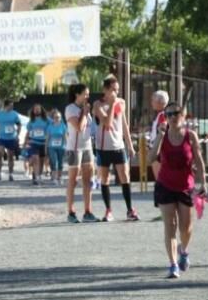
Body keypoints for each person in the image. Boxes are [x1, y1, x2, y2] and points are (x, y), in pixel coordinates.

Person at [147, 102, 207, 279]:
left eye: (176, 113)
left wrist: (203, 183)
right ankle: (173, 264)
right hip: (165, 184)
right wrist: (159, 136)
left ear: (184, 115)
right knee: (170, 226)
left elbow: (199, 160)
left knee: (186, 228)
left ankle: (184, 250)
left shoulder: (191, 136)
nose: (173, 117)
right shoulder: (162, 136)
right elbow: (151, 158)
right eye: (169, 114)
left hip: (185, 186)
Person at [93, 75, 140, 222]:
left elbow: (124, 124)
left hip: (118, 146)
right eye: (113, 89)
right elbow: (107, 122)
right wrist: (112, 104)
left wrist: (130, 144)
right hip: (103, 147)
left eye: (117, 90)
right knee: (105, 179)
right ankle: (108, 211)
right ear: (105, 90)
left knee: (125, 176)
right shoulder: (98, 105)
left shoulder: (122, 103)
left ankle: (129, 209)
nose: (116, 93)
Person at [64, 84, 98, 223]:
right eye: (85, 93)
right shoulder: (70, 109)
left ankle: (87, 211)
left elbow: (91, 128)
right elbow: (78, 127)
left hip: (87, 147)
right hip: (74, 148)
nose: (87, 96)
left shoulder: (86, 110)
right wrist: (84, 113)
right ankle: (71, 212)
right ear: (77, 94)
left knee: (88, 180)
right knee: (73, 180)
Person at [0, 99, 22, 182]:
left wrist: (17, 134)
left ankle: (11, 174)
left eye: (12, 106)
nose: (12, 107)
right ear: (6, 106)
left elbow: (19, 124)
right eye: (10, 105)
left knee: (10, 156)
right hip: (1, 138)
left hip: (11, 138)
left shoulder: (14, 114)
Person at [23, 104, 49, 186]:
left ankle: (37, 176)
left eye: (38, 109)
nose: (37, 110)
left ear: (41, 110)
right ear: (33, 111)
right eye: (35, 109)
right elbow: (28, 133)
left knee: (41, 161)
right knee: (35, 159)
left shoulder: (47, 120)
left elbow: (56, 123)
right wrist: (25, 142)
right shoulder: (31, 121)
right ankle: (37, 178)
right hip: (33, 142)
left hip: (43, 143)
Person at [148, 90, 170, 183]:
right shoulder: (161, 114)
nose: (151, 102)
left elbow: (163, 130)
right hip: (158, 147)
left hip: (159, 149)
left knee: (160, 178)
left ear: (160, 102)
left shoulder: (163, 115)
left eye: (153, 100)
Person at [46, 108, 67, 186]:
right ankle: (54, 178)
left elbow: (65, 137)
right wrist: (46, 148)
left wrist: (66, 146)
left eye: (58, 117)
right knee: (53, 162)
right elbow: (47, 138)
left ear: (60, 118)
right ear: (53, 118)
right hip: (52, 147)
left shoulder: (63, 126)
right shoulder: (50, 127)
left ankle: (59, 177)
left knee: (60, 163)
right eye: (55, 117)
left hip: (61, 147)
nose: (57, 119)